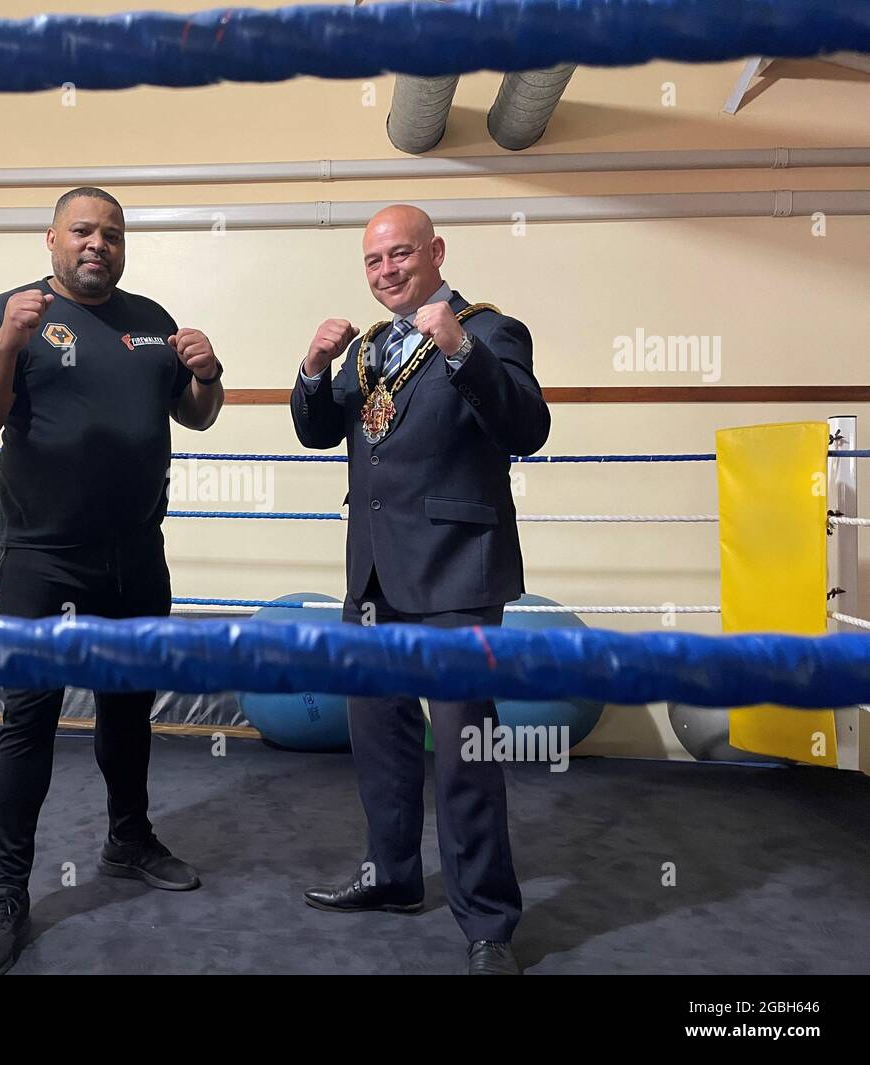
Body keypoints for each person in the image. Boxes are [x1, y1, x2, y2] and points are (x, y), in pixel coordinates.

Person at [0, 186, 225, 975]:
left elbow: (198, 414)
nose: (97, 242)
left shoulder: (152, 319)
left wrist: (206, 374)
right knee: (28, 720)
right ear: (52, 239)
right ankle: (5, 892)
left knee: (128, 709)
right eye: (82, 231)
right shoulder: (9, 312)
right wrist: (6, 341)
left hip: (136, 555)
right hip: (41, 559)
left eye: (111, 232)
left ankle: (128, 838)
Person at [289, 204, 550, 975]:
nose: (387, 271)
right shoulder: (369, 348)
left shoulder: (491, 329)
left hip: (456, 572)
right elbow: (318, 430)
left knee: (465, 750)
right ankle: (393, 875)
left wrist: (460, 347)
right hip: (371, 572)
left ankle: (489, 922)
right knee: (379, 739)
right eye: (373, 261)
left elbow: (527, 428)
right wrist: (310, 367)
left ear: (435, 251)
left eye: (400, 255)